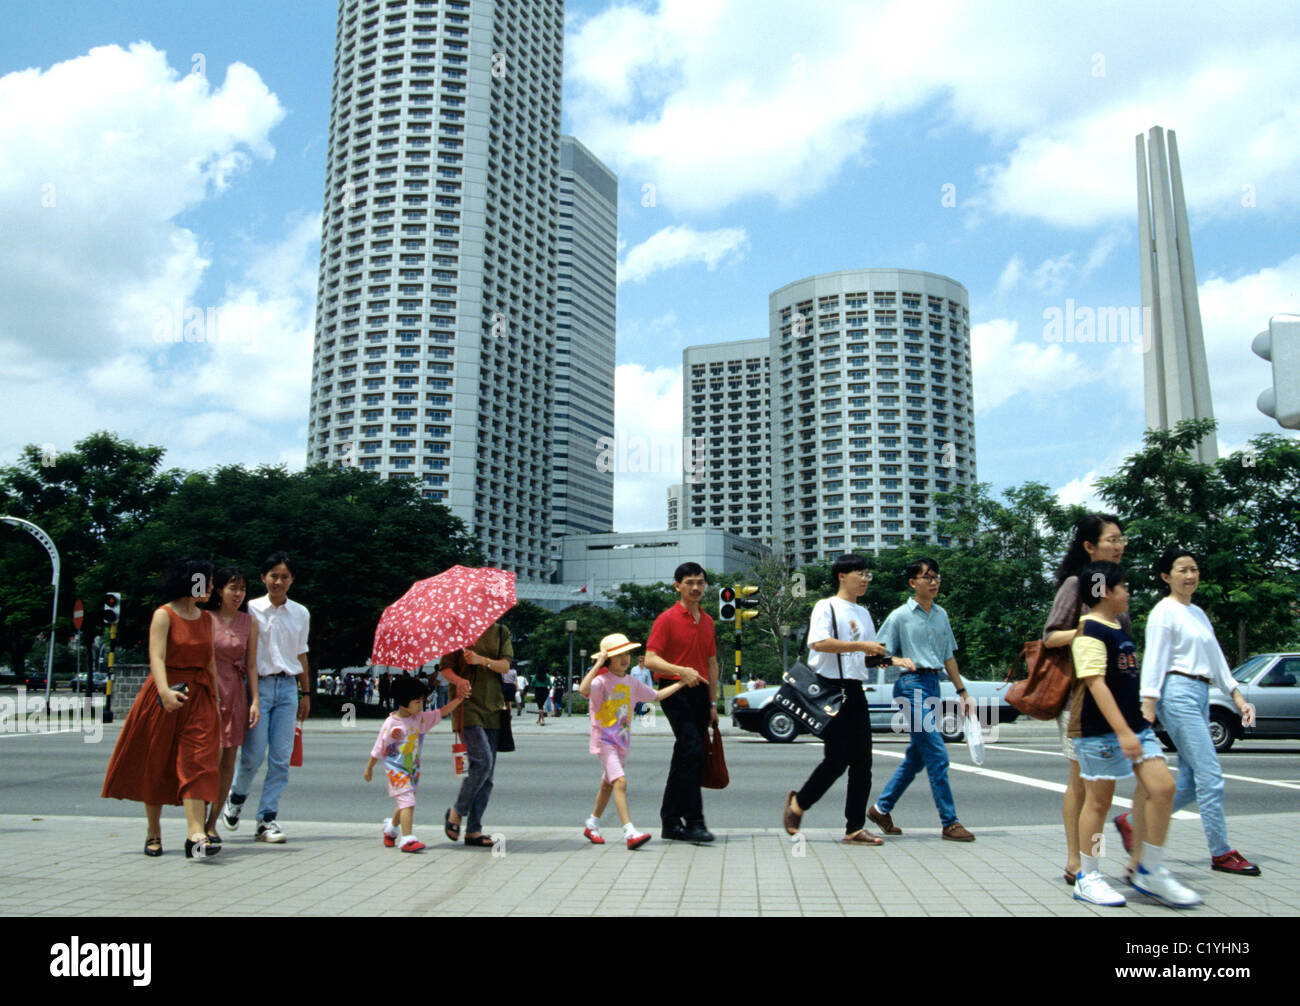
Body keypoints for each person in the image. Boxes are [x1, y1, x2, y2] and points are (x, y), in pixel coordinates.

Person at [1070, 561, 1200, 907]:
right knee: (1097, 803)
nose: (1128, 592)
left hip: (1134, 726)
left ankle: (1150, 869)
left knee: (1163, 788)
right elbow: (1096, 685)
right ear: (1104, 591)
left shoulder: (1118, 626)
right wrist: (1123, 732)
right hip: (1100, 731)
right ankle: (1089, 875)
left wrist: (1138, 720)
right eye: (1122, 587)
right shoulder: (1090, 631)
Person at [1141, 546, 1260, 876]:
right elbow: (1155, 660)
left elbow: (1217, 660)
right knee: (1211, 776)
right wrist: (1148, 705)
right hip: (1176, 692)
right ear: (1166, 577)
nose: (1190, 575)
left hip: (1199, 692)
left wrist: (1237, 697)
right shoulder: (1163, 612)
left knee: (1192, 784)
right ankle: (1221, 852)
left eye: (1194, 569)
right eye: (1182, 570)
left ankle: (1133, 821)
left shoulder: (1198, 613)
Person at [783, 554, 913, 845]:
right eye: (860, 573)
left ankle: (854, 828)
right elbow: (819, 644)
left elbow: (861, 658)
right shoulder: (826, 606)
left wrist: (890, 660)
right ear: (842, 576)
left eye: (868, 574)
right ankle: (798, 804)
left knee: (863, 763)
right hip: (829, 689)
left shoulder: (864, 613)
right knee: (837, 760)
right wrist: (861, 644)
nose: (865, 579)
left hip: (854, 691)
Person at [102, 558, 222, 859]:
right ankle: (153, 831)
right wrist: (165, 691)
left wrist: (217, 700)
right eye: (206, 581)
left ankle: (195, 835)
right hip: (165, 696)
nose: (211, 587)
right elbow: (156, 658)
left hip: (200, 696)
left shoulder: (207, 619)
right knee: (156, 762)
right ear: (191, 581)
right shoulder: (164, 615)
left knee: (198, 762)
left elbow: (209, 662)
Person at [1042, 513, 1130, 885]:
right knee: (1082, 783)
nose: (1119, 545)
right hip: (1079, 697)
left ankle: (1101, 863)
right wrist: (1085, 628)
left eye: (1121, 539)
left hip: (1113, 696)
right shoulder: (1078, 585)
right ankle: (1076, 862)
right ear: (1090, 547)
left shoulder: (1117, 587)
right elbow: (1049, 637)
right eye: (1111, 539)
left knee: (1103, 787)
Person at [867, 558, 978, 842]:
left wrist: (963, 692)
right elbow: (874, 654)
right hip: (910, 686)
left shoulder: (941, 615)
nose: (934, 581)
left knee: (917, 757)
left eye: (936, 576)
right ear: (912, 583)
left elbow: (948, 656)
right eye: (927, 577)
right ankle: (950, 822)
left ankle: (881, 808)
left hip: (933, 685)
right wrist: (896, 659)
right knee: (938, 754)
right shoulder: (899, 616)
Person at [220, 551, 311, 844]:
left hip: (287, 689)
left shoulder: (301, 613)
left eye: (285, 576)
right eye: (274, 576)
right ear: (263, 578)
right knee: (253, 755)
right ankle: (236, 798)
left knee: (282, 759)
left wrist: (306, 692)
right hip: (256, 688)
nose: (279, 582)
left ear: (292, 579)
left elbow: (301, 653)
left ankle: (266, 818)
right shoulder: (249, 609)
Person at [579, 634, 686, 848]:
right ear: (608, 659)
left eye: (626, 653)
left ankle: (592, 824)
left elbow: (656, 695)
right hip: (604, 741)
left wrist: (682, 682)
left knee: (608, 784)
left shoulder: (631, 682)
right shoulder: (600, 681)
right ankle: (629, 832)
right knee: (620, 781)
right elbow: (583, 690)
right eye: (618, 655)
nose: (625, 658)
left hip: (622, 742)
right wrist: (598, 664)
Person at [645, 562, 712, 843]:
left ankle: (670, 821)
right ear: (677, 586)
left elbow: (711, 663)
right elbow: (650, 659)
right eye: (689, 583)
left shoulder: (707, 621)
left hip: (700, 693)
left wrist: (712, 705)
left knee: (686, 756)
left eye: (700, 582)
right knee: (692, 750)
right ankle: (694, 822)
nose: (695, 588)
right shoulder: (667, 619)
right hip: (674, 690)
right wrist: (680, 671)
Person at [365, 673, 468, 852]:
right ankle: (407, 839)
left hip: (412, 769)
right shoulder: (392, 723)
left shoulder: (420, 719)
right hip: (395, 769)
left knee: (404, 802)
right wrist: (369, 768)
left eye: (422, 701)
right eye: (417, 702)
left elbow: (441, 712)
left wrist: (459, 699)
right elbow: (378, 747)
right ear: (403, 702)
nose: (422, 705)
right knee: (408, 801)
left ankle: (390, 829)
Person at [440, 621, 513, 848]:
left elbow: (505, 666)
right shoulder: (456, 631)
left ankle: (474, 830)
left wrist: (482, 661)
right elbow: (445, 668)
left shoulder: (501, 632)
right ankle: (456, 812)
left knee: (487, 775)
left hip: (493, 706)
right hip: (466, 705)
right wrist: (459, 680)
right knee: (482, 762)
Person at [201, 566, 260, 846]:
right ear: (220, 590)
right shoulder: (204, 619)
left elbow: (251, 664)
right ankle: (196, 821)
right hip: (209, 693)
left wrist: (255, 700)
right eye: (232, 588)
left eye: (242, 589)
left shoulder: (249, 623)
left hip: (236, 693)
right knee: (207, 760)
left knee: (228, 762)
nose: (237, 594)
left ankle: (212, 823)